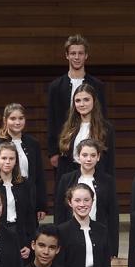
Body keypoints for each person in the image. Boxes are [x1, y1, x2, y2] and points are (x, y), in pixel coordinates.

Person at [47, 35, 106, 172]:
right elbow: (52, 119)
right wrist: (53, 151)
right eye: (73, 53)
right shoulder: (55, 87)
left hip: (92, 150)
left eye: (80, 53)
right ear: (67, 55)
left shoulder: (97, 86)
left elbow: (102, 118)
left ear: (86, 56)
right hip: (65, 151)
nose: (77, 57)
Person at [55, 139, 119, 251]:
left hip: (98, 235)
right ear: (78, 157)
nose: (88, 159)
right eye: (84, 155)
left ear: (98, 157)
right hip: (70, 236)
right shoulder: (66, 179)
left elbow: (112, 215)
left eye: (93, 155)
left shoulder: (107, 181)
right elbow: (59, 212)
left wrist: (113, 248)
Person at [0, 103, 47, 220]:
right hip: (3, 197)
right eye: (13, 119)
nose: (17, 122)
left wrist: (41, 205)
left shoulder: (33, 143)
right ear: (5, 120)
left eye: (21, 118)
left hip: (28, 196)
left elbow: (39, 175)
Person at [0, 142, 38, 248]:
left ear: (16, 161)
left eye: (11, 159)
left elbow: (29, 216)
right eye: (4, 158)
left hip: (19, 234)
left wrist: (28, 243)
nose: (7, 162)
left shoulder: (25, 184)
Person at [55, 83, 114, 179]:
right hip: (71, 179)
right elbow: (63, 162)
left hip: (97, 178)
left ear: (94, 101)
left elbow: (109, 163)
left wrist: (108, 184)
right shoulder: (68, 127)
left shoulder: (105, 128)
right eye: (78, 101)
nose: (82, 104)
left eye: (86, 100)